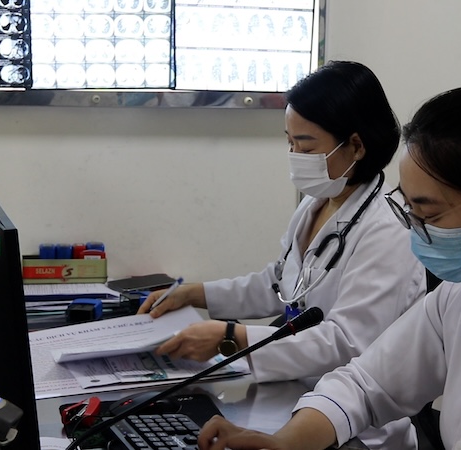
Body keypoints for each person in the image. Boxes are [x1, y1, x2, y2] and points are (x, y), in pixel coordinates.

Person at [197, 84, 461, 450]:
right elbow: (365, 384)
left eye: (428, 214)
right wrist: (286, 441)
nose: (414, 231)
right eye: (407, 207)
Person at [139, 61, 427, 449]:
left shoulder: (387, 229)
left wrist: (232, 337)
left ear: (356, 145)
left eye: (306, 146)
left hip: (358, 430)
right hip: (290, 398)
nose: (294, 155)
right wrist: (196, 294)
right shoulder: (316, 204)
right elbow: (279, 283)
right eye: (289, 143)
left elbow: (345, 343)